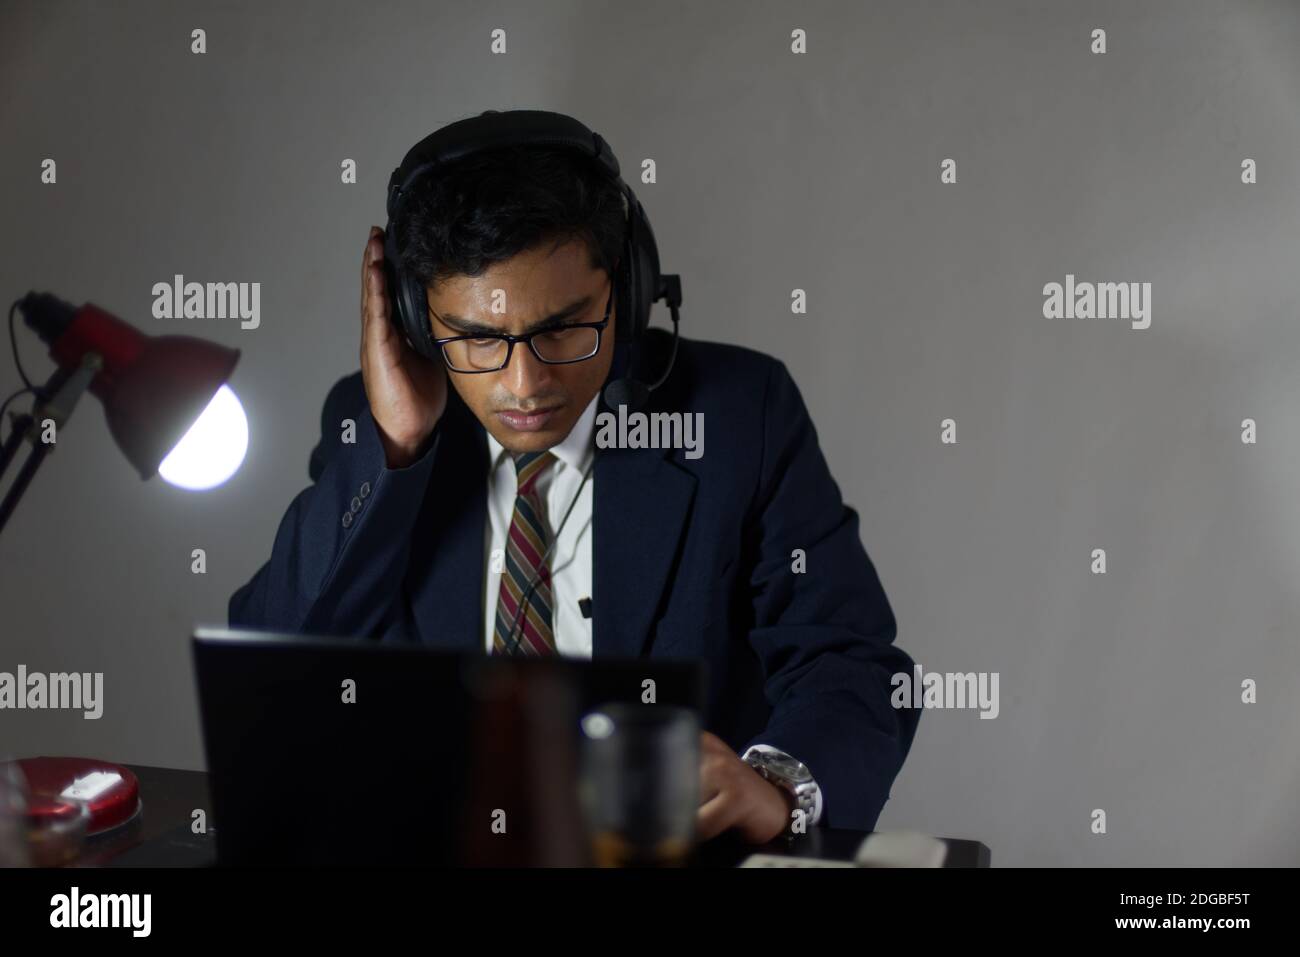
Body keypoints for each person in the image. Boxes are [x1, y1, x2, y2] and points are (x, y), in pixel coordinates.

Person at [229, 118, 919, 843]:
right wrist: (396, 448)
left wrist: (780, 785)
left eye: (563, 327)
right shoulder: (377, 428)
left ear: (628, 289)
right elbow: (270, 681)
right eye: (478, 339)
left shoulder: (741, 412)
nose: (524, 384)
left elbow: (847, 658)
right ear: (415, 321)